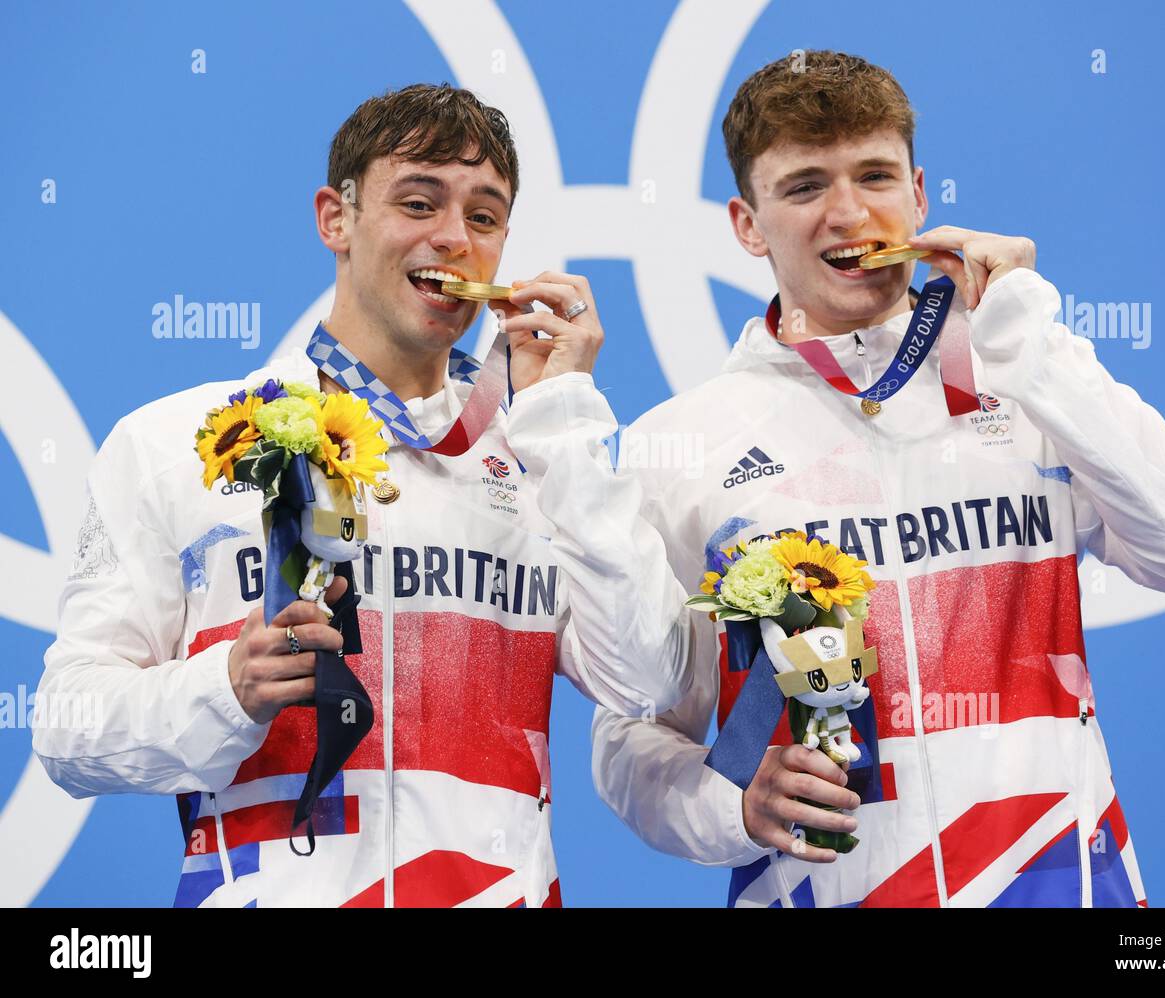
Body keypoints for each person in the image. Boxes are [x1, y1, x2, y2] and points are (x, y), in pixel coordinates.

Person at [591, 51, 1165, 907]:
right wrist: (729, 807)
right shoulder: (681, 446)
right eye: (804, 187)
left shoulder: (1030, 381)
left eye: (875, 176)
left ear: (922, 193)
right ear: (747, 225)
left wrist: (1035, 346)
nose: (849, 213)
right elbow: (631, 729)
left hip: (1057, 881)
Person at [33, 84, 690, 908]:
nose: (453, 238)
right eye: (419, 202)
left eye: (484, 219)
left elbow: (650, 681)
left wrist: (561, 415)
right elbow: (66, 727)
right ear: (334, 219)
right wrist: (222, 689)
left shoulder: (545, 461)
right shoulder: (182, 444)